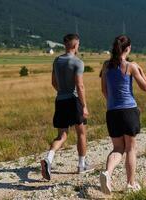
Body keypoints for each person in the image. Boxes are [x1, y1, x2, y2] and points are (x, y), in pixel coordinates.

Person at [41, 34, 94, 181]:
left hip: (60, 100)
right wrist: (84, 105)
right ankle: (82, 165)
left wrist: (61, 92)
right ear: (75, 45)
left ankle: (49, 159)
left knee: (62, 136)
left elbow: (53, 82)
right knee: (81, 132)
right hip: (74, 100)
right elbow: (80, 85)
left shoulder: (57, 61)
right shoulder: (77, 62)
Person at [99, 35, 146, 194]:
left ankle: (108, 173)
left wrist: (113, 103)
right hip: (129, 111)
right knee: (131, 149)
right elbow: (145, 87)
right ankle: (130, 184)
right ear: (128, 49)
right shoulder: (131, 66)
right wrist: (140, 69)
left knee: (117, 148)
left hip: (112, 112)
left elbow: (104, 90)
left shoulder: (106, 66)